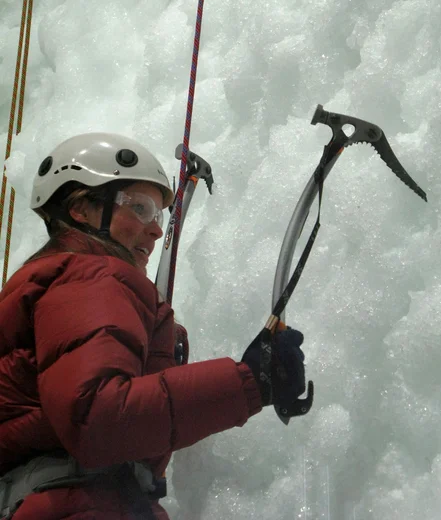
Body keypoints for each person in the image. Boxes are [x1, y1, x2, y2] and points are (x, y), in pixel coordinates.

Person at [0, 133, 306, 520]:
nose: (156, 230)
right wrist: (250, 381)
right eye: (140, 208)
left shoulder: (55, 283)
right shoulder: (86, 274)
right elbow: (98, 417)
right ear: (81, 210)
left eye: (157, 215)